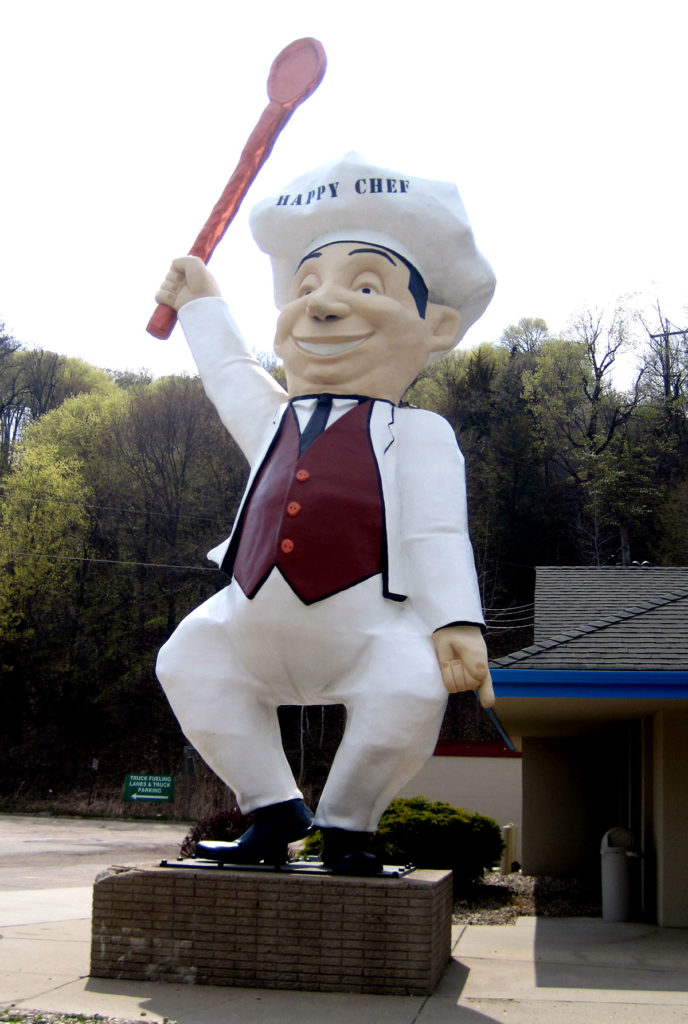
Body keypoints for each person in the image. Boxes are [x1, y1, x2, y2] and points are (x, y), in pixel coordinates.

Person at [155, 153, 496, 874]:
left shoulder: (421, 434)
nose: (324, 304)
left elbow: (437, 532)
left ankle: (349, 827)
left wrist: (455, 620)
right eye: (306, 284)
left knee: (410, 689)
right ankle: (274, 808)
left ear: (434, 326)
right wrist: (201, 301)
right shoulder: (271, 420)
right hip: (248, 619)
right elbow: (229, 373)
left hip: (372, 630)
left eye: (366, 284)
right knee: (188, 658)